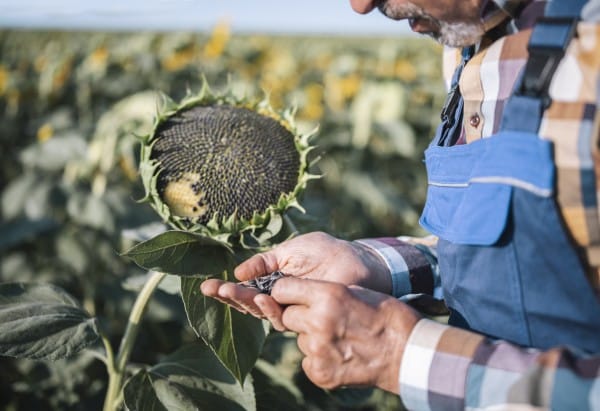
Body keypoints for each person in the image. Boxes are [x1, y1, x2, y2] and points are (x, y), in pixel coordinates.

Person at [202, 0, 600, 409]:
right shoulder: (468, 46)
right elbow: (525, 265)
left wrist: (401, 356)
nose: (360, 6)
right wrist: (373, 266)